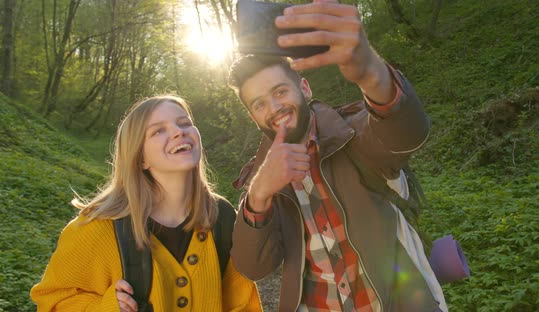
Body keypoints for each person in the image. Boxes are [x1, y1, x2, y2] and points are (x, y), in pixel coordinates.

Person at [227, 0, 447, 311]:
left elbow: (408, 133)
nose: (273, 108)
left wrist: (371, 72)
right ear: (253, 116)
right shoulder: (261, 178)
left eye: (280, 92)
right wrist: (260, 193)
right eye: (259, 104)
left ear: (304, 88)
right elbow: (254, 268)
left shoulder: (352, 134)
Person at [30, 95, 262, 312]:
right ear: (140, 158)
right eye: (158, 130)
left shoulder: (222, 218)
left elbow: (242, 305)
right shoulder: (97, 227)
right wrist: (107, 306)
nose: (178, 132)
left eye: (184, 123)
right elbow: (52, 302)